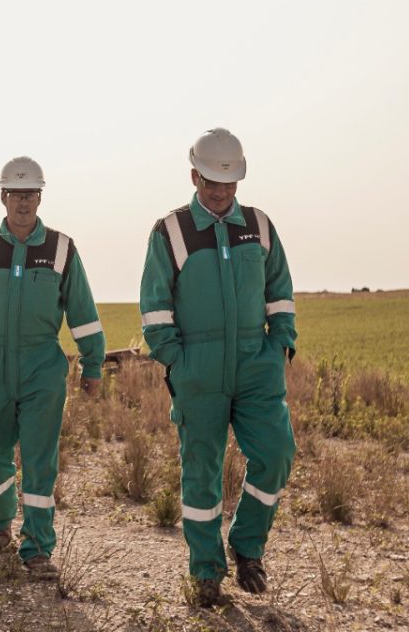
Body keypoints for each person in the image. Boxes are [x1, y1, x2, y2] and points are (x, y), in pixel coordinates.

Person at [139, 128, 297, 606]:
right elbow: (154, 306)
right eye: (210, 182)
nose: (220, 192)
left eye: (228, 183)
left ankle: (247, 547)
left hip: (255, 364)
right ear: (194, 175)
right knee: (201, 473)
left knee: (276, 455)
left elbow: (281, 294)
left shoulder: (260, 225)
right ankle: (207, 571)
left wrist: (279, 349)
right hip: (198, 368)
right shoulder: (171, 231)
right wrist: (177, 361)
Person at [0, 156, 106, 578]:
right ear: (3, 196)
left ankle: (36, 548)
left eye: (31, 194)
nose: (23, 202)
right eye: (16, 194)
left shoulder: (61, 249)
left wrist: (92, 362)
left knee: (40, 458)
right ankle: (0, 516)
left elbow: (83, 310)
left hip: (42, 366)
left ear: (40, 196)